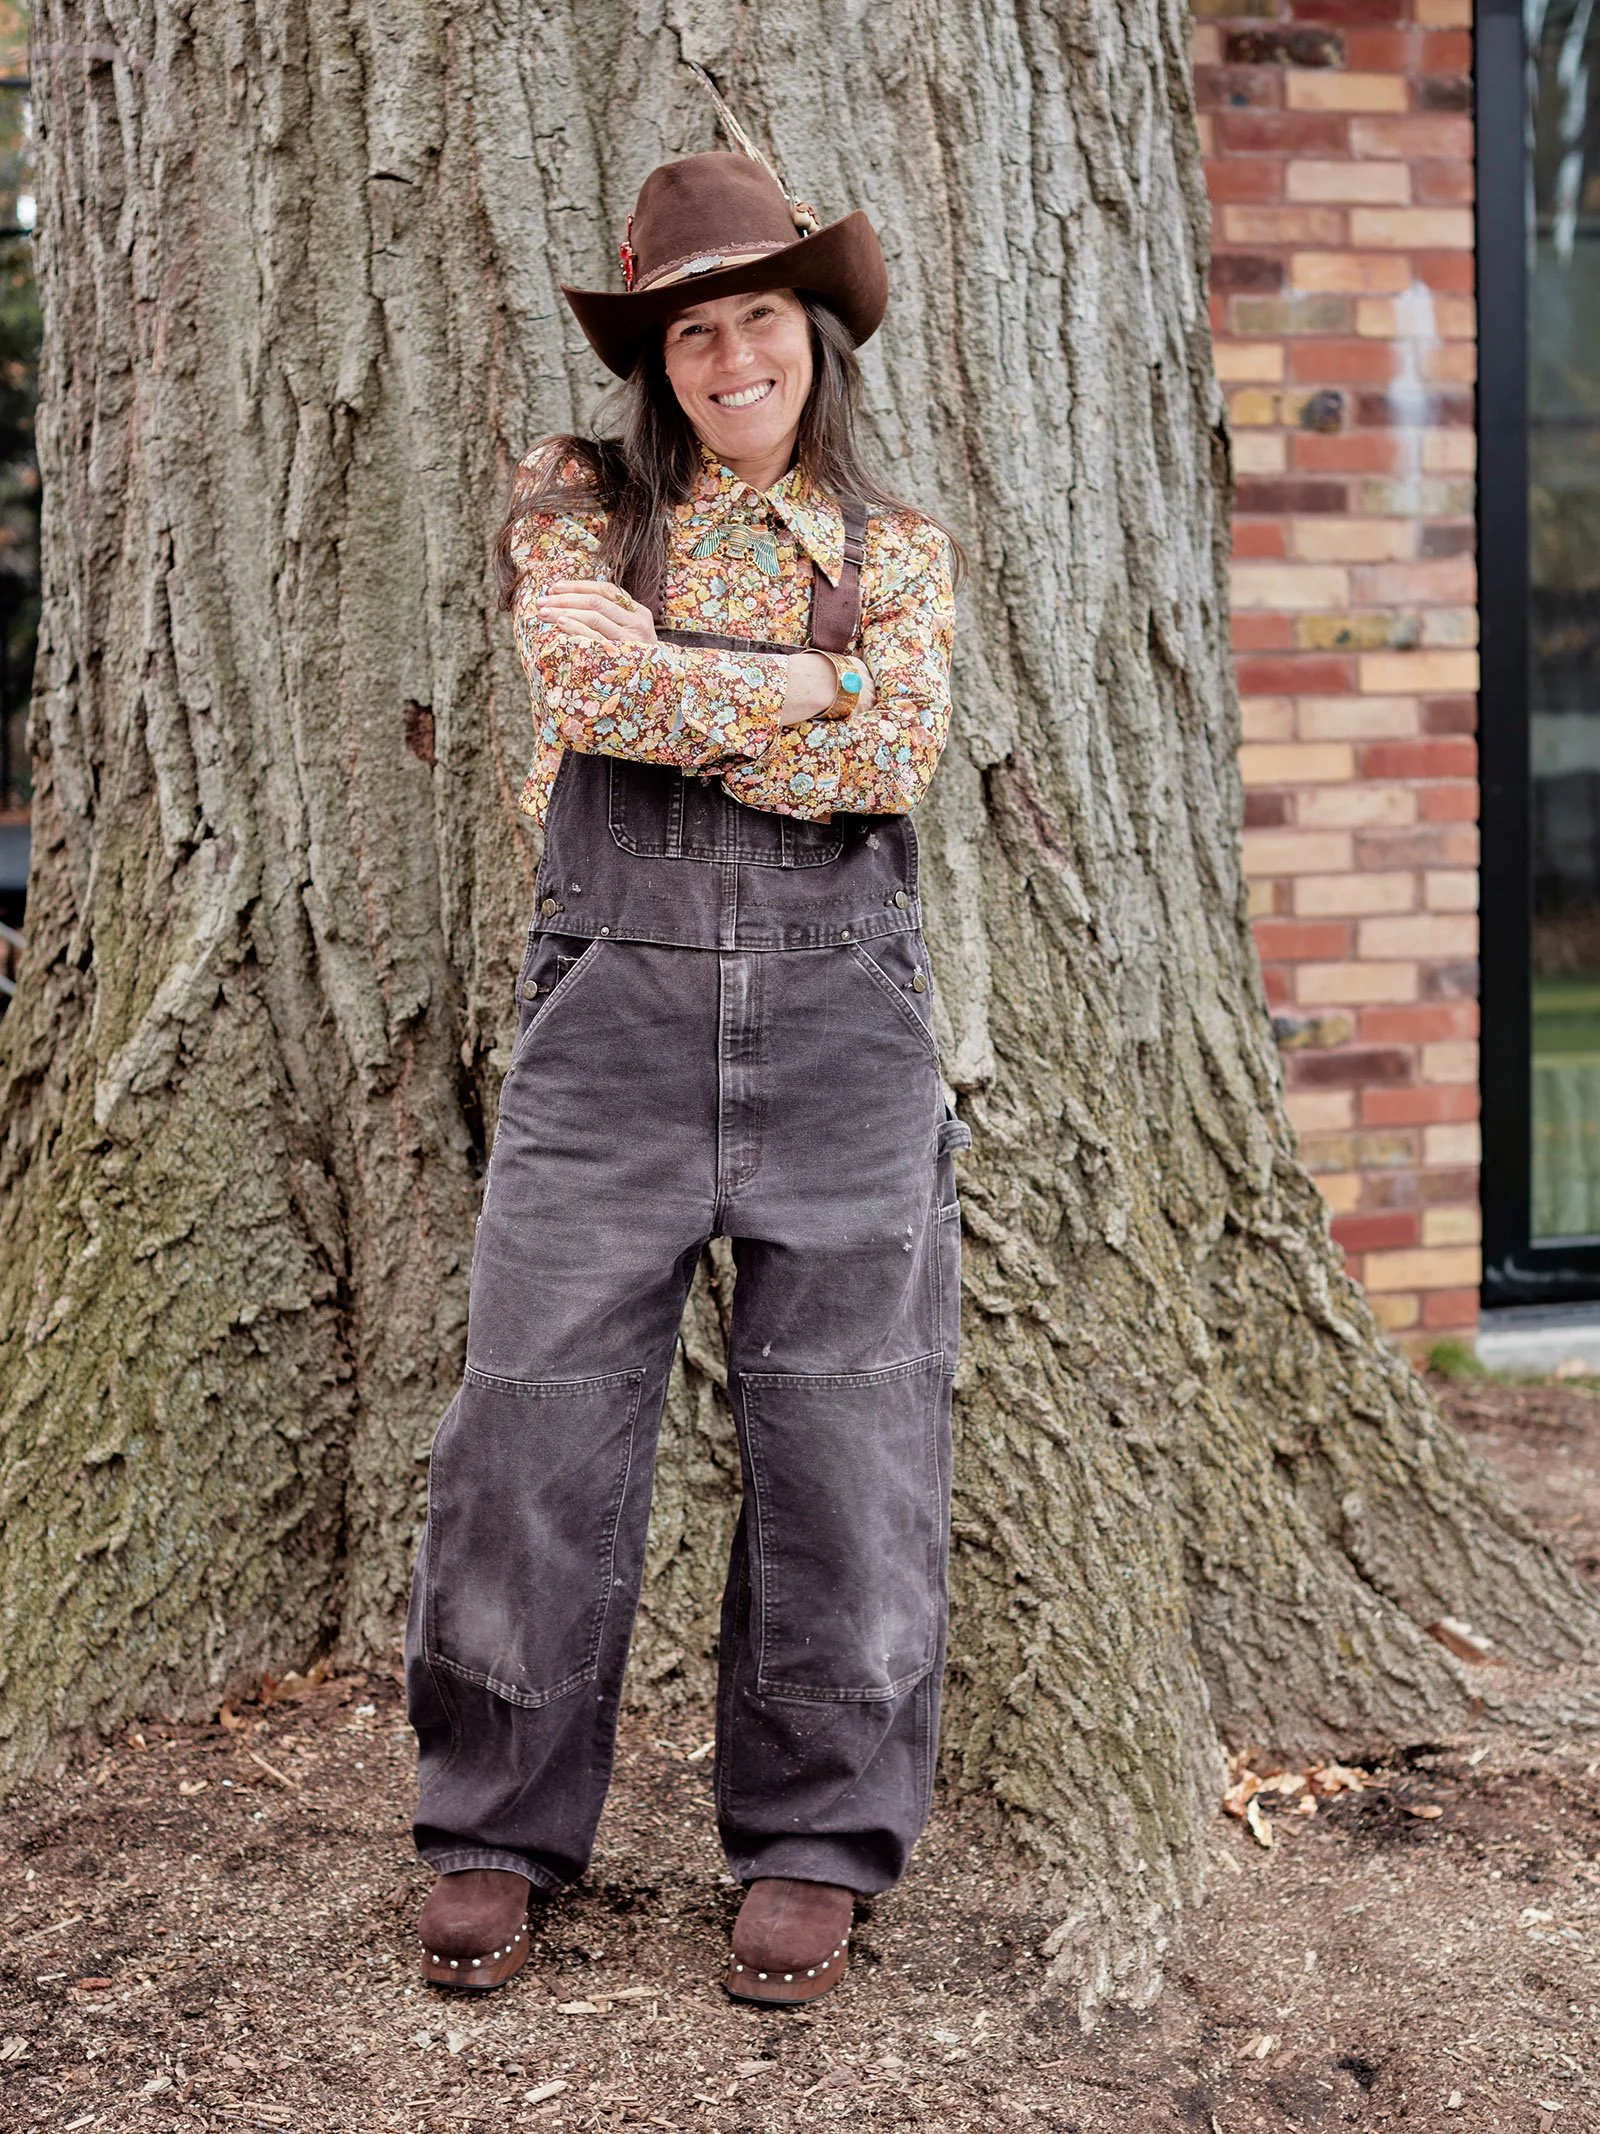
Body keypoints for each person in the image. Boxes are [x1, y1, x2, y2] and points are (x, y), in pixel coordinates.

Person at [405, 146, 965, 2007]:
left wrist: (743, 692)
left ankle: (815, 1838)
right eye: (694, 329)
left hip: (845, 1031)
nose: (731, 357)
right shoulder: (571, 498)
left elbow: (899, 756)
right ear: (659, 359)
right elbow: (591, 693)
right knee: (534, 1420)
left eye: (760, 320)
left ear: (816, 337)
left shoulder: (902, 550)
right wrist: (807, 694)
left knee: (850, 1435)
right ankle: (493, 1817)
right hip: (612, 1023)